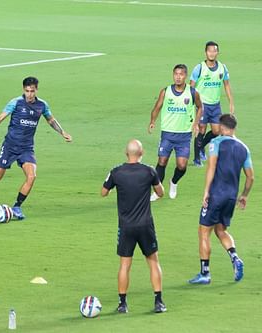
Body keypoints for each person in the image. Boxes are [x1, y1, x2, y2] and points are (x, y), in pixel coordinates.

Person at [0, 76, 72, 220]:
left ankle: (17, 207)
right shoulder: (15, 103)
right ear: (23, 90)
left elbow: (51, 119)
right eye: (27, 91)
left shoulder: (42, 105)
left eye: (32, 91)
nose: (29, 94)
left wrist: (62, 132)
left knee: (32, 176)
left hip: (26, 148)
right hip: (10, 146)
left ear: (36, 90)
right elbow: (1, 117)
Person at [102, 140, 166, 314]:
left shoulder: (116, 172)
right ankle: (159, 302)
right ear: (142, 152)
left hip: (126, 226)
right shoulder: (149, 171)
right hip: (146, 225)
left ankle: (123, 304)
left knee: (124, 265)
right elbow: (161, 192)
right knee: (153, 262)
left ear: (126, 153)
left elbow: (103, 192)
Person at [189, 114, 253, 284]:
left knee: (203, 231)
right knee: (220, 230)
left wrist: (206, 192)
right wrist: (244, 196)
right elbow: (250, 178)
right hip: (231, 197)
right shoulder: (244, 148)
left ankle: (205, 273)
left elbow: (211, 167)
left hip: (216, 194)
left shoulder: (216, 143)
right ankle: (235, 258)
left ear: (222, 127)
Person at [148, 64, 203, 201]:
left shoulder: (192, 92)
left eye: (181, 74)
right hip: (167, 133)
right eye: (176, 74)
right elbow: (157, 107)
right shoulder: (165, 91)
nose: (178, 77)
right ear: (173, 75)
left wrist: (196, 123)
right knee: (162, 161)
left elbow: (200, 107)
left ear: (185, 76)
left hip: (184, 135)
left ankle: (174, 182)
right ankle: (157, 191)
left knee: (182, 165)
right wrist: (152, 121)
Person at [191, 41, 234, 166]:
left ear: (217, 53)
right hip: (202, 105)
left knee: (216, 131)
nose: (212, 53)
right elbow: (191, 87)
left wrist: (231, 101)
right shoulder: (199, 68)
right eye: (209, 51)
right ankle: (196, 158)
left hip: (215, 105)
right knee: (202, 129)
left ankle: (201, 148)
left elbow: (226, 85)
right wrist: (192, 104)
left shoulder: (222, 67)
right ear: (206, 52)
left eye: (214, 51)